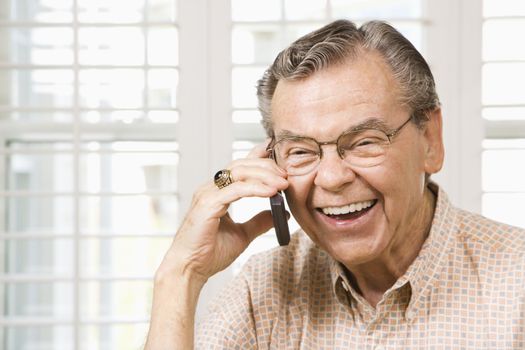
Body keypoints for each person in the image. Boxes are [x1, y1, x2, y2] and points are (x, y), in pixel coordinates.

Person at [145, 20, 525, 349]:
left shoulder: (516, 286)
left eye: (364, 142)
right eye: (300, 152)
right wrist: (180, 273)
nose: (331, 178)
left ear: (430, 140)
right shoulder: (265, 288)